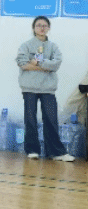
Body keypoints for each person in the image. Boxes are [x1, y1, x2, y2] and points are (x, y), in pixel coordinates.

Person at [16, 16, 74, 162]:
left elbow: (56, 64)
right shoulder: (26, 45)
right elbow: (22, 63)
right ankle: (32, 150)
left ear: (48, 28)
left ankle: (56, 153)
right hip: (29, 88)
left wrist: (38, 62)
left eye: (44, 25)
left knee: (51, 120)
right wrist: (46, 67)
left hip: (48, 89)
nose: (42, 28)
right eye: (38, 25)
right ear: (33, 28)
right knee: (30, 119)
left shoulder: (53, 47)